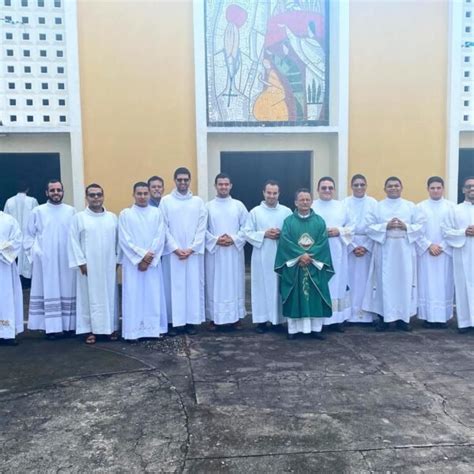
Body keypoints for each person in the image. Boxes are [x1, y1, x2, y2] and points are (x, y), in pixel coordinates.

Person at [362, 177, 425, 331]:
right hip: (385, 249)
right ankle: (384, 318)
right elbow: (368, 228)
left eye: (396, 185)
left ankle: (403, 319)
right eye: (390, 186)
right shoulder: (378, 207)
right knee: (385, 283)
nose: (393, 188)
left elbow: (421, 227)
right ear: (385, 189)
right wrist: (386, 226)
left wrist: (406, 226)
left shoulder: (410, 206)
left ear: (401, 187)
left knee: (404, 282)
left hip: (404, 249)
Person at [275, 188, 334, 340]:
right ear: (295, 202)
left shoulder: (319, 221)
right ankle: (293, 330)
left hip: (314, 264)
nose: (305, 202)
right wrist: (300, 256)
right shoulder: (288, 222)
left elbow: (322, 242)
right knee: (296, 296)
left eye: (307, 199)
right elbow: (285, 242)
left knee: (314, 296)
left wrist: (309, 257)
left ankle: (315, 329)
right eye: (301, 199)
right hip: (295, 266)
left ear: (311, 201)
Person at [68, 184, 120, 344]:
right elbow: (72, 241)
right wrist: (81, 262)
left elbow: (119, 242)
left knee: (109, 296)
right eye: (92, 195)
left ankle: (110, 328)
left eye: (98, 194)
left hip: (108, 265)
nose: (96, 198)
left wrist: (117, 261)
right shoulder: (79, 218)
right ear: (86, 198)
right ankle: (89, 330)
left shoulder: (112, 217)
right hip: (88, 267)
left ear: (103, 196)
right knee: (88, 298)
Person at [25, 180, 76, 339]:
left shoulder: (71, 211)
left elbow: (75, 235)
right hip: (46, 260)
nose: (56, 193)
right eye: (52, 190)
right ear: (46, 193)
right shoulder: (38, 211)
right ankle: (51, 328)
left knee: (68, 289)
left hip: (67, 259)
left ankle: (69, 326)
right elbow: (28, 237)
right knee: (49, 290)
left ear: (63, 191)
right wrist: (38, 253)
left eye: (59, 190)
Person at [160, 167, 207, 335]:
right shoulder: (166, 202)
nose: (183, 182)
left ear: (190, 180)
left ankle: (190, 322)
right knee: (174, 287)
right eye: (179, 179)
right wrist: (175, 248)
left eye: (186, 179)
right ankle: (174, 322)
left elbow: (202, 226)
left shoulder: (198, 202)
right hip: (173, 254)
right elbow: (163, 227)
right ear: (174, 180)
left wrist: (193, 248)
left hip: (192, 254)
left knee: (192, 287)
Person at [118, 182, 167, 341]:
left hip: (151, 264)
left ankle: (153, 329)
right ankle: (133, 331)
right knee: (133, 295)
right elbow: (125, 239)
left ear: (149, 194)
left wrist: (148, 258)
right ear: (133, 195)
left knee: (153, 295)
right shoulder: (125, 214)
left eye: (145, 193)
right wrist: (140, 257)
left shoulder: (157, 213)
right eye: (139, 193)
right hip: (133, 265)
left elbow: (160, 237)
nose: (142, 196)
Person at [245, 180, 292, 333]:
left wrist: (281, 234)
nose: (271, 196)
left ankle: (278, 321)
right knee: (261, 287)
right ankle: (261, 321)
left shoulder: (286, 212)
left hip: (280, 255)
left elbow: (292, 232)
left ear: (279, 194)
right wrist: (264, 234)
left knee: (278, 288)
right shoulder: (255, 212)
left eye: (275, 193)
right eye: (269, 193)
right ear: (263, 193)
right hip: (261, 256)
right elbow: (247, 233)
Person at [206, 173, 248, 329]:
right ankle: (214, 318)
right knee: (214, 284)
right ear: (215, 186)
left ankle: (235, 317)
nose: (223, 187)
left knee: (234, 283)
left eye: (226, 184)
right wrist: (216, 239)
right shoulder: (208, 206)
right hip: (215, 253)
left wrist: (234, 239)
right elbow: (201, 230)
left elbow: (246, 228)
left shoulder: (238, 205)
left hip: (233, 253)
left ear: (231, 186)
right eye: (220, 184)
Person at [311, 177, 353, 331]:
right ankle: (320, 320)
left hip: (338, 252)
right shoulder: (312, 206)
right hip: (317, 253)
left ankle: (337, 319)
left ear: (334, 190)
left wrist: (339, 231)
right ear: (318, 190)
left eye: (330, 188)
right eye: (324, 188)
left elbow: (351, 227)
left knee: (338, 284)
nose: (327, 190)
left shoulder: (341, 206)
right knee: (321, 284)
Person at [416, 177, 455, 327]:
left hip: (445, 252)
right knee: (427, 284)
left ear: (443, 188)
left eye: (438, 188)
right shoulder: (420, 207)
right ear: (428, 189)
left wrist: (443, 246)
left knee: (444, 284)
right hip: (427, 252)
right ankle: (428, 317)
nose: (436, 190)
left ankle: (443, 317)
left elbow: (454, 229)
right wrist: (428, 245)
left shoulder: (451, 207)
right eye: (432, 188)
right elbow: (417, 230)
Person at [343, 174, 378, 324]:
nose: (359, 187)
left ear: (366, 186)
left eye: (362, 184)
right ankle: (349, 314)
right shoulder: (344, 203)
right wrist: (353, 246)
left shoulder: (373, 203)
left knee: (367, 281)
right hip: (350, 244)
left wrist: (366, 246)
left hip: (368, 244)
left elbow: (376, 227)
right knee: (350, 280)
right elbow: (343, 226)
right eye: (356, 185)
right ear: (351, 186)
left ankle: (368, 315)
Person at [442, 176, 474, 333]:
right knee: (463, 286)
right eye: (468, 186)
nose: (472, 189)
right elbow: (446, 232)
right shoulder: (455, 210)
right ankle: (465, 322)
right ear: (463, 190)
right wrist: (464, 232)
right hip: (463, 253)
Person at [3, 180, 39, 281]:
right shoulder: (32, 201)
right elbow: (37, 219)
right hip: (29, 235)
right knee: (28, 258)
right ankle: (28, 281)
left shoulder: (9, 201)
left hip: (13, 237)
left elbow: (5, 220)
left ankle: (16, 280)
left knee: (14, 257)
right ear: (28, 189)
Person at [0, 211, 24, 346]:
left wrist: (1, 251)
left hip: (4, 266)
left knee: (6, 297)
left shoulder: (9, 220)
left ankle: (7, 332)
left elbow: (17, 240)